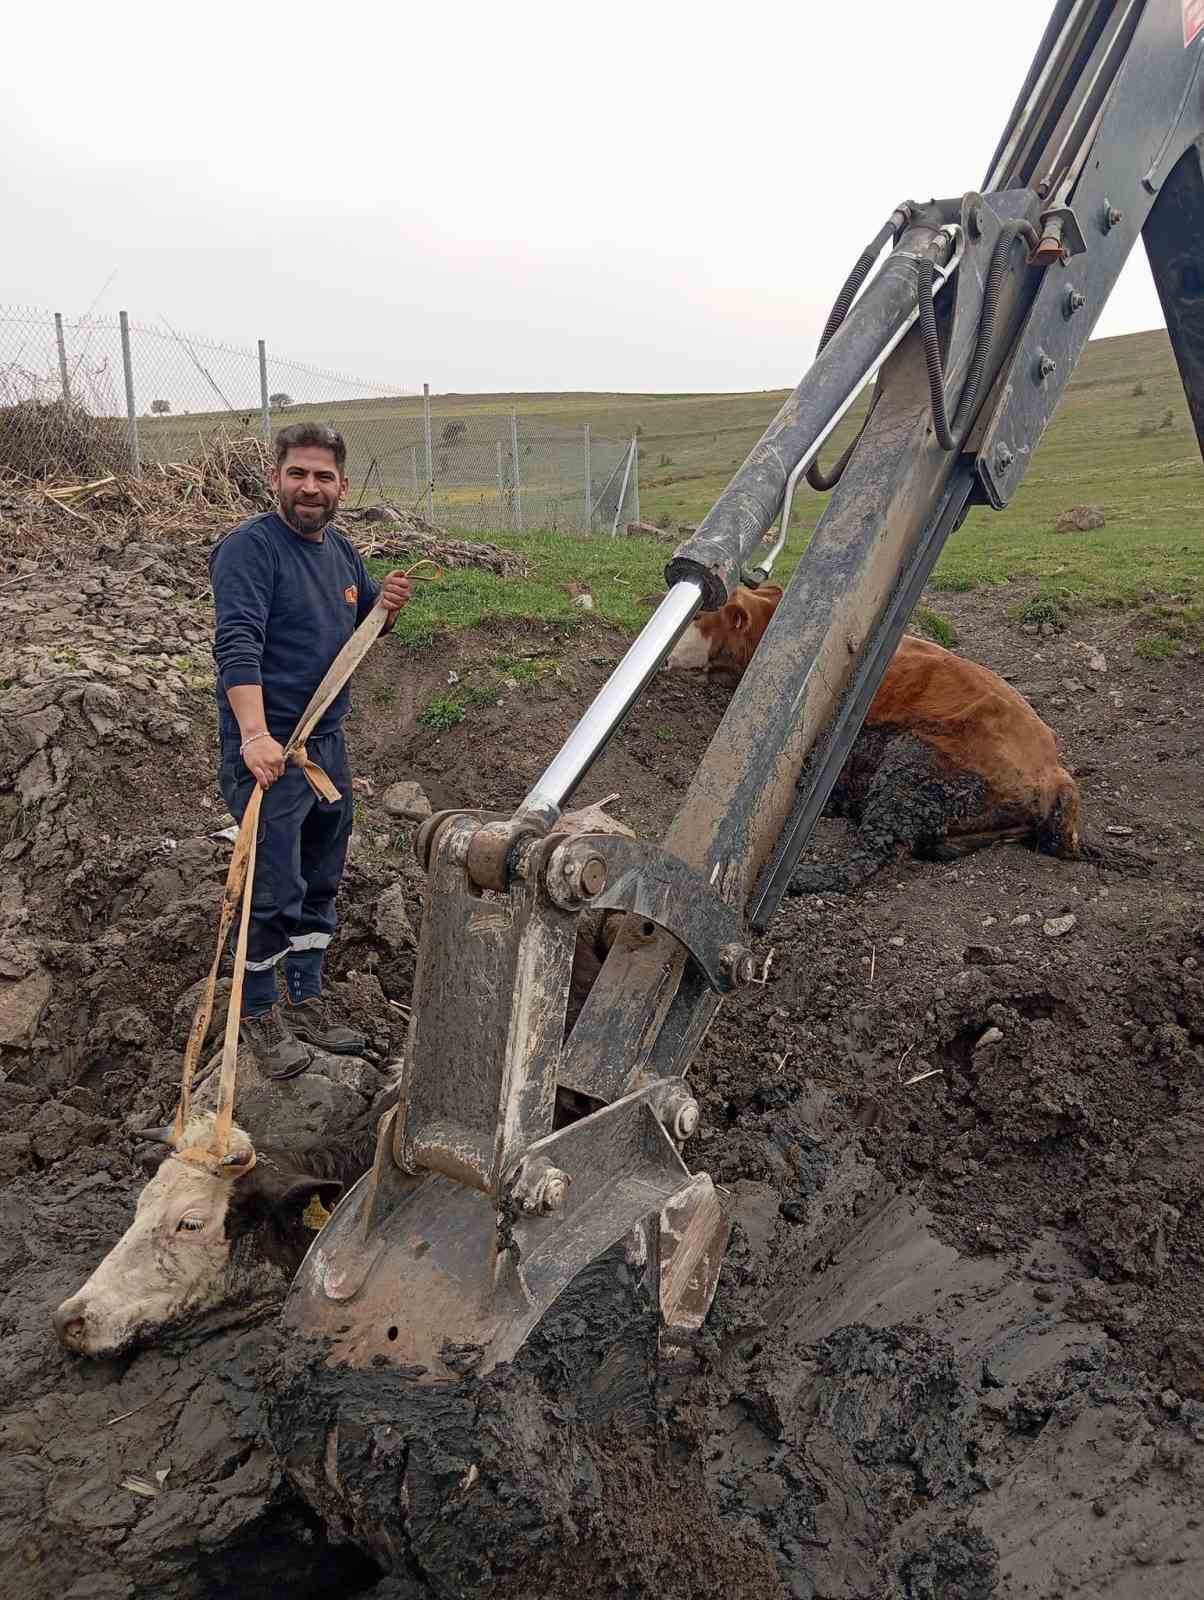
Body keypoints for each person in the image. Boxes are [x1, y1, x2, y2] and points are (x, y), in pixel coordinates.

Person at [209, 422, 412, 1077]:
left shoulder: (341, 553)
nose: (309, 487)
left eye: (323, 476)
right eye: (297, 473)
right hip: (273, 751)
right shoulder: (251, 549)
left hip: (325, 748)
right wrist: (253, 735)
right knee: (274, 887)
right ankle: (260, 1016)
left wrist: (387, 609)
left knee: (321, 879)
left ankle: (306, 996)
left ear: (342, 486)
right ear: (276, 478)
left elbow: (351, 638)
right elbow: (236, 643)